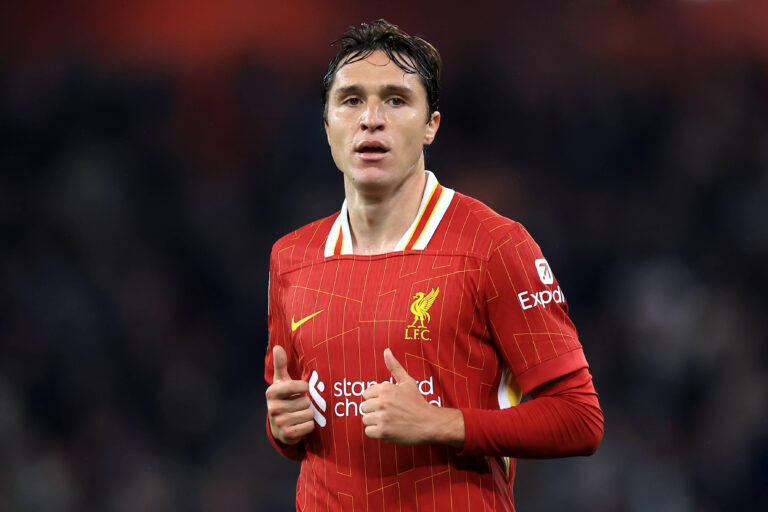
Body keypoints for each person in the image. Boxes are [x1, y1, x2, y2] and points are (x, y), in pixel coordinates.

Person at [264, 19, 603, 511]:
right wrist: (282, 429)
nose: (371, 119)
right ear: (327, 125)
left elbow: (580, 419)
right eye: (351, 99)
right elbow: (297, 426)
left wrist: (440, 424)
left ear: (431, 126)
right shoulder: (291, 258)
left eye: (396, 100)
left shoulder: (493, 246)